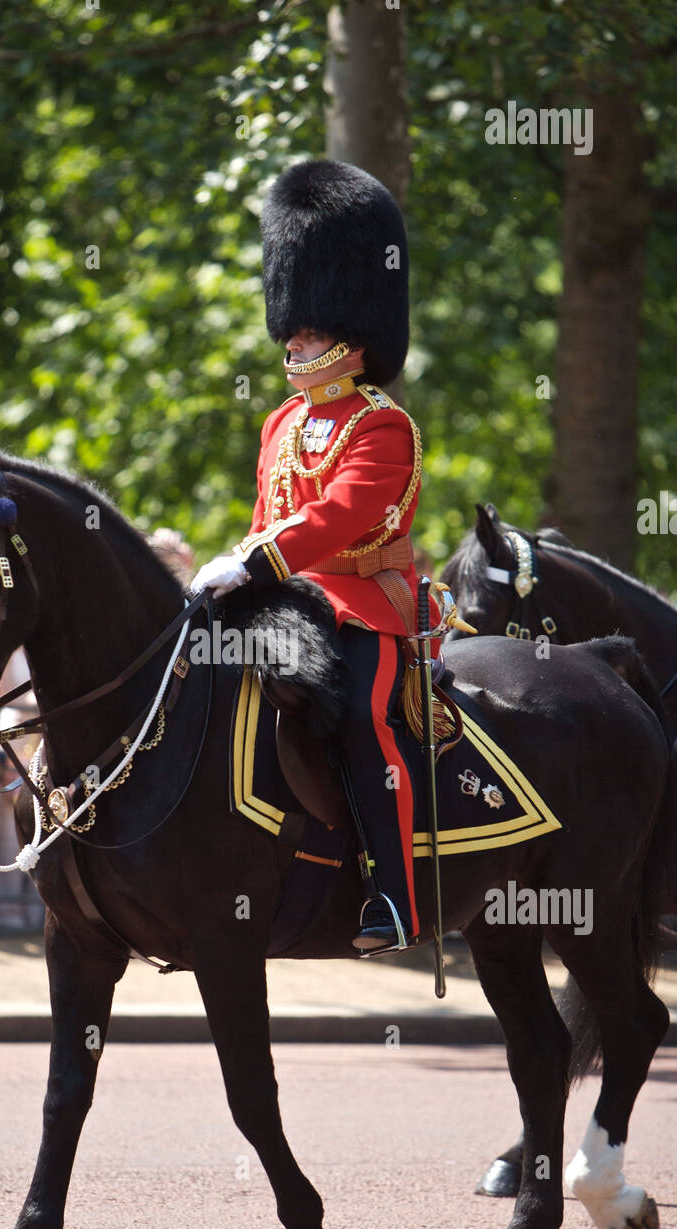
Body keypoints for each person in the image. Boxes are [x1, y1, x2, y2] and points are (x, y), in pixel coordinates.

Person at [193, 159, 433, 956]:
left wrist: (256, 562)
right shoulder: (280, 424)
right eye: (292, 327)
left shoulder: (383, 424)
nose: (295, 339)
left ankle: (391, 897)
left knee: (363, 721)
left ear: (351, 333)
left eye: (311, 329)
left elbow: (342, 517)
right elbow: (267, 516)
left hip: (366, 604)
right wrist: (235, 568)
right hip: (285, 600)